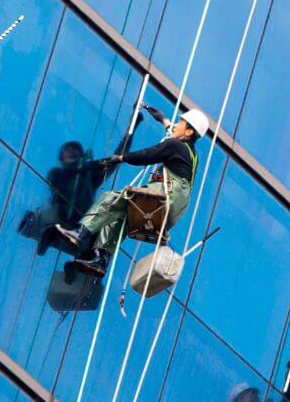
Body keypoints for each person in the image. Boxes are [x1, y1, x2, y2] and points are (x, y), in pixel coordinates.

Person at [46, 106, 209, 279]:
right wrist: (163, 120)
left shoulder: (175, 145)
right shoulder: (192, 154)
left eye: (180, 123)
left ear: (189, 131)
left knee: (112, 199)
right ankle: (100, 259)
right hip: (173, 210)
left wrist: (121, 158)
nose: (175, 125)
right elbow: (174, 132)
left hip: (167, 196)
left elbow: (148, 155)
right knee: (120, 218)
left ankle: (81, 233)